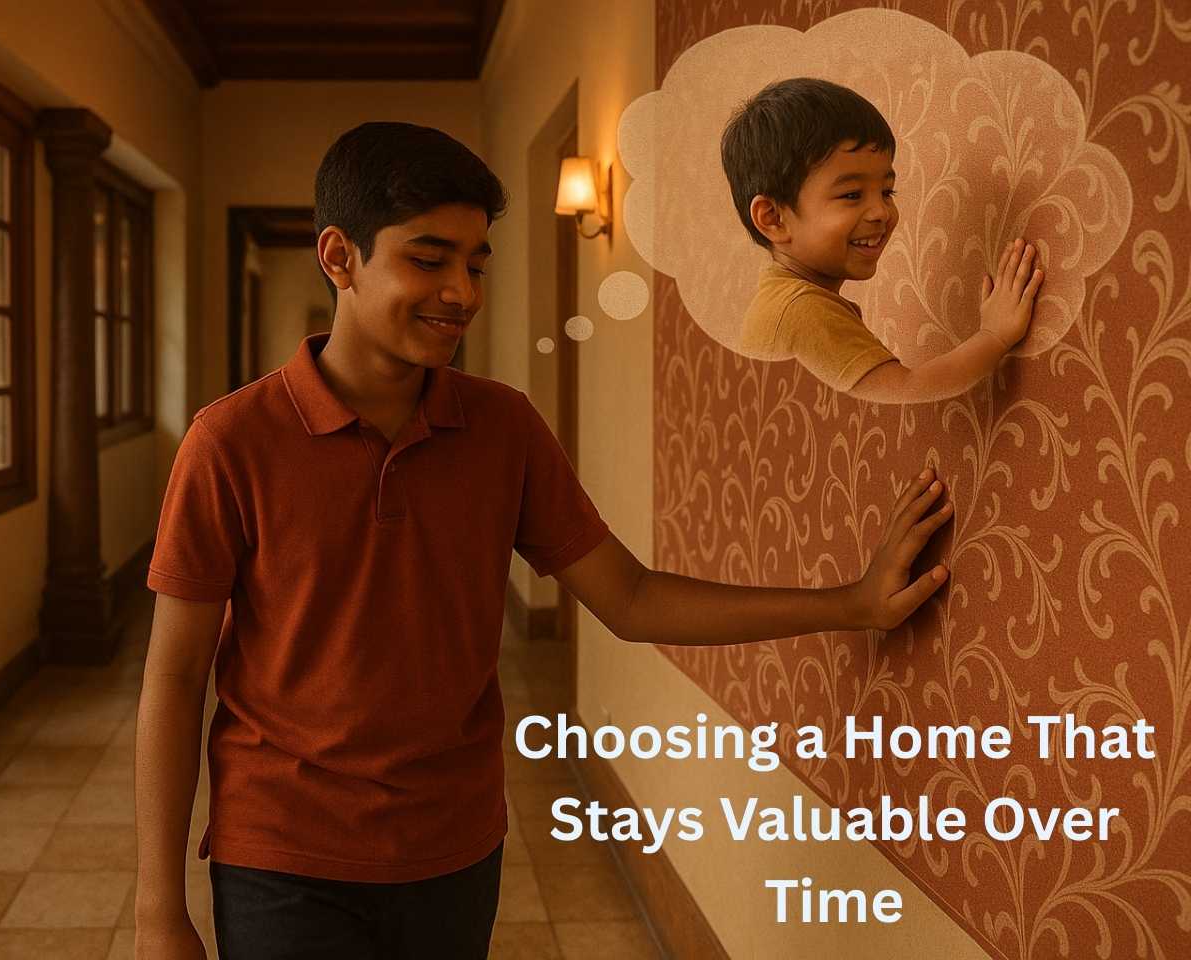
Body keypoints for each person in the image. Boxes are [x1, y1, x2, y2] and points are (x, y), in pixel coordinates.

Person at [133, 121, 955, 960]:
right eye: (428, 260)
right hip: (284, 853)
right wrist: (158, 913)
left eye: (476, 264)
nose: (461, 292)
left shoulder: (503, 430)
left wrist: (851, 604)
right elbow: (175, 675)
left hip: (453, 850)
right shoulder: (230, 443)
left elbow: (631, 599)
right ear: (340, 257)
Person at [722, 77, 1046, 402]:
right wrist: (994, 335)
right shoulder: (802, 312)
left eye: (887, 192)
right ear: (773, 218)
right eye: (852, 194)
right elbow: (907, 392)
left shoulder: (783, 301)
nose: (881, 212)